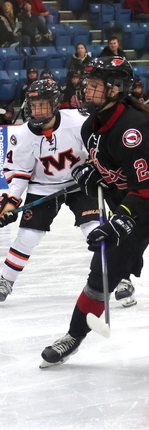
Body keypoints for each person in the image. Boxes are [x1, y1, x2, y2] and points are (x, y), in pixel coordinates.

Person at [40, 57, 149, 367]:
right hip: (132, 207)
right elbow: (109, 166)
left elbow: (144, 190)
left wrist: (121, 220)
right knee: (100, 276)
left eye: (95, 85)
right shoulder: (91, 126)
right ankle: (74, 335)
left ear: (116, 89)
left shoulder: (133, 131)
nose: (86, 90)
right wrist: (92, 172)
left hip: (141, 204)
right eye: (86, 83)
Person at [0, 79, 96, 303]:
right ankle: (6, 280)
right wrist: (10, 203)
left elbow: (98, 149)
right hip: (43, 188)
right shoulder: (23, 135)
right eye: (33, 105)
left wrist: (92, 169)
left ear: (55, 104)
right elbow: (19, 174)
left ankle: (120, 277)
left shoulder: (78, 121)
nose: (37, 110)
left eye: (42, 105)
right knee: (27, 236)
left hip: (80, 185)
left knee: (95, 230)